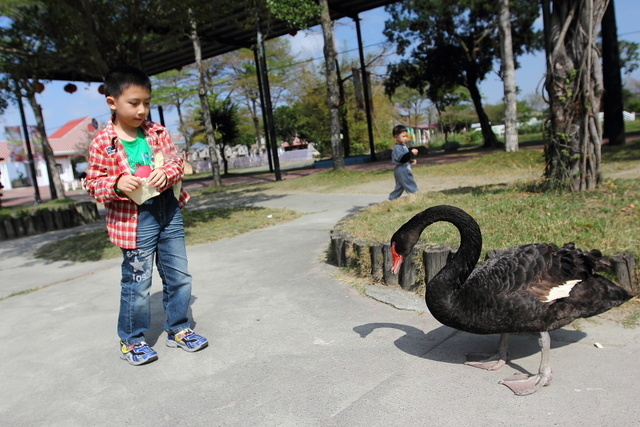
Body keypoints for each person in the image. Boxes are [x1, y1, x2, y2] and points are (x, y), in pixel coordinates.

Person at [85, 66, 208, 366]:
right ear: (112, 103)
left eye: (147, 102)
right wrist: (115, 184)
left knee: (179, 275)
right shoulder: (103, 143)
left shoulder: (156, 132)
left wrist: (165, 172)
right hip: (134, 220)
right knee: (137, 282)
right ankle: (132, 339)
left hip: (168, 211)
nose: (142, 110)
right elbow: (92, 183)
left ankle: (178, 328)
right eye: (134, 103)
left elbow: (177, 163)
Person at [388, 124, 419, 200]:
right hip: (402, 169)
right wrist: (411, 153)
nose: (406, 138)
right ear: (396, 137)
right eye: (403, 136)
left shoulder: (402, 146)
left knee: (399, 186)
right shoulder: (397, 148)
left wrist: (411, 160)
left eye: (406, 136)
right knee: (409, 183)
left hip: (401, 168)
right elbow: (402, 159)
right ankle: (415, 196)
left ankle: (393, 198)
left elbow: (406, 157)